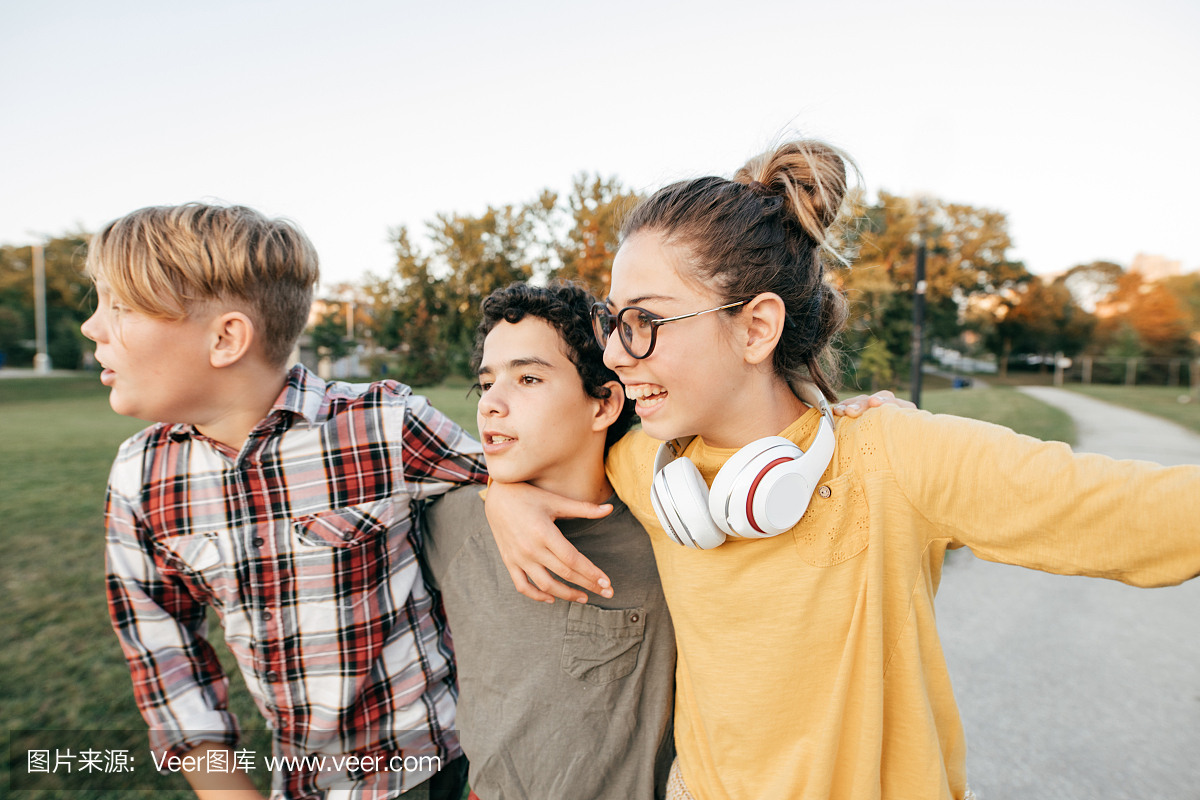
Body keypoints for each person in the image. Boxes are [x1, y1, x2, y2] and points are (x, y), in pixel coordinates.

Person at [480, 141, 1200, 800]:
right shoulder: (647, 461)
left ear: (756, 328)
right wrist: (500, 494)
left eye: (644, 322)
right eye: (613, 321)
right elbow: (511, 436)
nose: (614, 354)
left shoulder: (895, 455)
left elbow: (1137, 511)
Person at [83, 204, 482, 800]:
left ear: (226, 338)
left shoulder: (383, 423)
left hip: (442, 771)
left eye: (118, 307)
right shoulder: (140, 476)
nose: (93, 327)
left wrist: (511, 497)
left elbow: (508, 480)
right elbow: (167, 662)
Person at [420, 281, 676, 799]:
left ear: (603, 404)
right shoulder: (451, 522)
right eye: (486, 383)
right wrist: (498, 495)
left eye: (529, 377)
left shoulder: (665, 534)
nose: (491, 403)